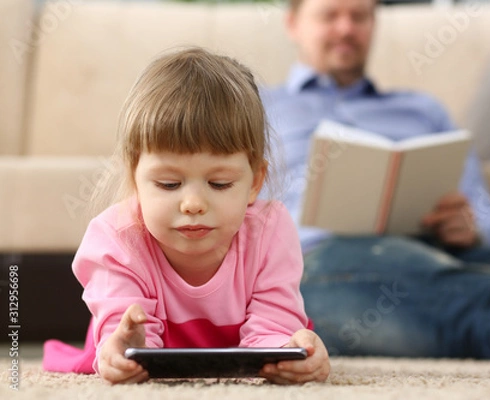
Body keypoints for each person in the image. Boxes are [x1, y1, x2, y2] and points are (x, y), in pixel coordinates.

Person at [260, 0, 490, 365]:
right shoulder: (258, 108)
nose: (346, 28)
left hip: (443, 249)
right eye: (330, 15)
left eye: (359, 16)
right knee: (480, 298)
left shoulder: (422, 109)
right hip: (322, 261)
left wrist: (471, 226)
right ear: (293, 23)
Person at [42, 46, 330, 384]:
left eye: (219, 184)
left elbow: (274, 328)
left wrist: (290, 352)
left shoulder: (271, 230)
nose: (193, 203)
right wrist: (124, 348)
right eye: (169, 184)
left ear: (255, 183)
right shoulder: (114, 240)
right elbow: (129, 345)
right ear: (135, 177)